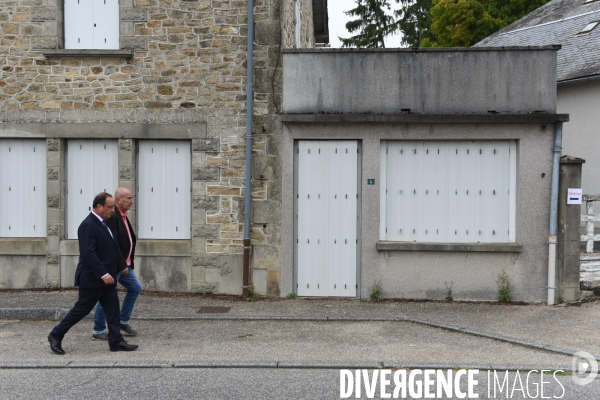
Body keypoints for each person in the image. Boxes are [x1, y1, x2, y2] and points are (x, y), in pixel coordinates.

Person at [48, 192, 138, 354]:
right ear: (99, 206)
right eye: (110, 207)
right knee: (81, 309)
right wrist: (103, 274)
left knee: (112, 310)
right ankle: (56, 334)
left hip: (107, 278)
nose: (112, 210)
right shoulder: (87, 225)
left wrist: (116, 268)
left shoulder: (105, 223)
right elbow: (89, 253)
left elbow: (111, 248)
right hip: (93, 278)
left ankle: (116, 341)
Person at [92, 187, 141, 340]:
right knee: (106, 295)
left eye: (131, 198)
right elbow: (115, 244)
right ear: (118, 200)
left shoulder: (124, 216)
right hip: (117, 265)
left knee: (135, 288)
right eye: (128, 198)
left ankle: (122, 321)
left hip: (125, 265)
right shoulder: (113, 217)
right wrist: (122, 265)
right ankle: (98, 330)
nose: (131, 201)